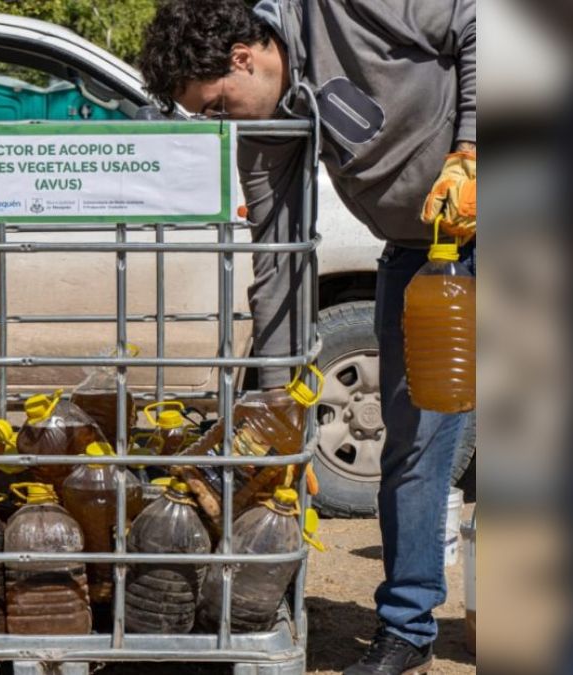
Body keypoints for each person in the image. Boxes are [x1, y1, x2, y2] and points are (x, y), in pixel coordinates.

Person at [138, 1, 475, 673]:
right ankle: (407, 629)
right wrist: (277, 420)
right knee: (411, 445)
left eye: (215, 105)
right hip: (422, 252)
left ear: (243, 58)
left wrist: (471, 147)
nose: (219, 121)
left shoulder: (344, 10)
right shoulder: (267, 128)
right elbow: (278, 261)